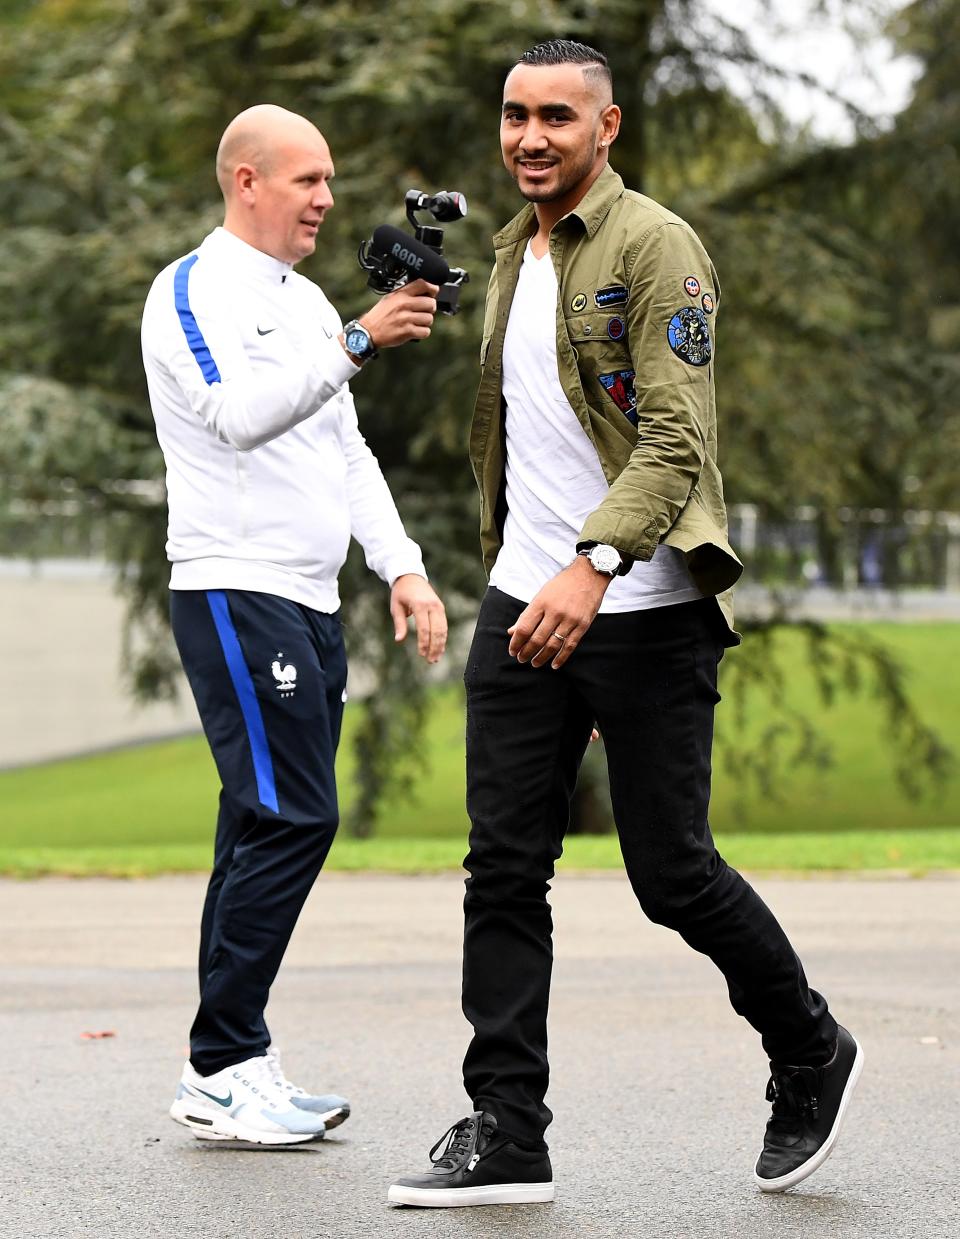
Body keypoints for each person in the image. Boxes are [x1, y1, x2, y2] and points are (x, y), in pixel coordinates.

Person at [388, 41, 861, 1206]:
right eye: (513, 115)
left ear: (608, 128)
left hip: (638, 608)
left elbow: (675, 437)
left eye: (556, 115)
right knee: (502, 867)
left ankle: (808, 1045)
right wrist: (528, 567)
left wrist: (593, 564)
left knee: (672, 874)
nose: (529, 136)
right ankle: (509, 1130)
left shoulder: (656, 247)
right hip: (520, 601)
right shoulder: (510, 249)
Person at [141, 104, 447, 1146]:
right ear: (245, 181)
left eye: (328, 180)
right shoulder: (190, 290)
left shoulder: (309, 301)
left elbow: (344, 453)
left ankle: (237, 1060)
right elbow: (235, 416)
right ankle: (220, 1064)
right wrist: (361, 339)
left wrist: (401, 569)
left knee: (254, 824)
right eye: (306, 179)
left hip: (310, 600)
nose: (325, 198)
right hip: (234, 586)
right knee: (295, 816)